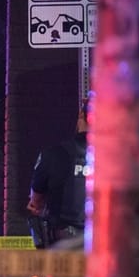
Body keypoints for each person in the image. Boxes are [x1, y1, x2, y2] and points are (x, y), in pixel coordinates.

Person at [26, 98, 89, 247]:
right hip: (110, 251)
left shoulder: (54, 154)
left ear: (81, 115)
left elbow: (36, 203)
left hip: (65, 250)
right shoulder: (121, 159)